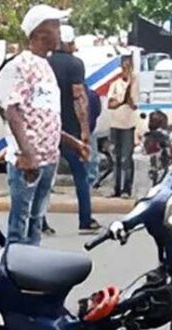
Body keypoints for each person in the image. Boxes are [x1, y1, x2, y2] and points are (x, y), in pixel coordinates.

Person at [4, 5, 88, 245]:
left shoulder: (46, 66)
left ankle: (31, 274)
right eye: (55, 25)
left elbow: (43, 117)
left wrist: (73, 143)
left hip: (48, 158)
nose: (60, 31)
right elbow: (13, 111)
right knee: (20, 227)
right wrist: (28, 153)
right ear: (40, 32)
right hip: (29, 161)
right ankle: (14, 276)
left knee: (35, 222)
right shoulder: (24, 64)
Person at [48, 24, 102, 234]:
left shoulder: (45, 62)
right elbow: (79, 97)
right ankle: (85, 219)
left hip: (49, 127)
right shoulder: (75, 64)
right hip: (70, 129)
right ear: (69, 43)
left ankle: (40, 221)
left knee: (45, 178)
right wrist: (85, 130)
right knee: (81, 175)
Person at [108, 55, 138, 198]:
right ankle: (116, 188)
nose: (125, 70)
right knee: (116, 158)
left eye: (128, 68)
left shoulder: (135, 84)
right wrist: (122, 101)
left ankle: (126, 188)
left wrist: (131, 84)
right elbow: (111, 104)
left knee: (127, 158)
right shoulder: (115, 84)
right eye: (123, 67)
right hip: (115, 124)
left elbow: (133, 104)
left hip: (128, 125)